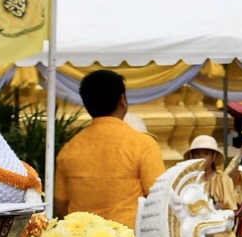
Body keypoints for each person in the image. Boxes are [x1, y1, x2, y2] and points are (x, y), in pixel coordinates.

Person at [52, 70, 164, 225]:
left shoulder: (69, 149)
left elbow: (60, 205)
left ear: (87, 103)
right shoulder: (142, 144)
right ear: (122, 100)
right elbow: (158, 198)